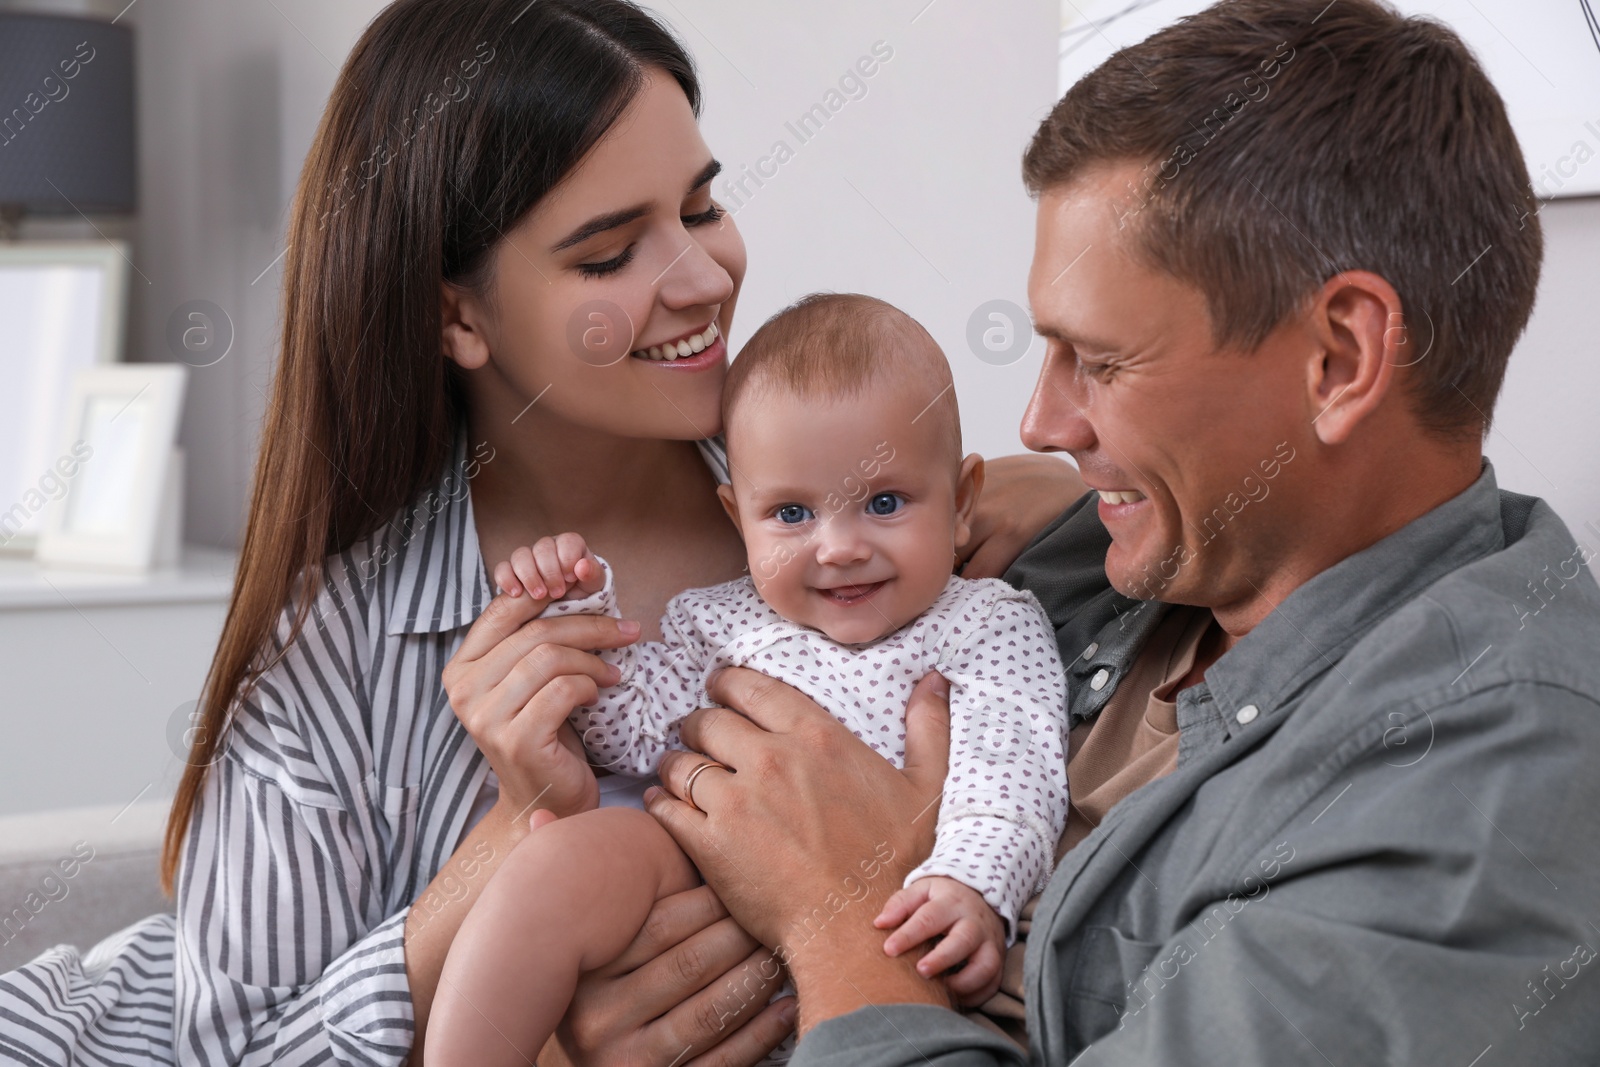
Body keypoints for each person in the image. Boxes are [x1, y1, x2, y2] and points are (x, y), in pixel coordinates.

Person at [0, 3, 1084, 1064]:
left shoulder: (935, 535)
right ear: (457, 317)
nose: (704, 279)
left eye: (701, 210)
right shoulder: (332, 659)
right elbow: (232, 1045)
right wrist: (521, 854)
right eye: (611, 253)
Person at [635, 1, 1600, 1064]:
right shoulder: (1111, 559)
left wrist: (837, 921)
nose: (1044, 424)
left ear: (1337, 359)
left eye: (1097, 360)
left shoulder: (1475, 793)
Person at [425, 294, 1071, 1065]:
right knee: (551, 864)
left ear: (962, 502)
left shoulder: (986, 621)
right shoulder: (717, 620)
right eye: (792, 514)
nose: (837, 548)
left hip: (895, 902)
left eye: (885, 502)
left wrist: (969, 881)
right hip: (704, 870)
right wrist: (578, 608)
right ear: (739, 517)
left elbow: (1015, 766)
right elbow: (632, 737)